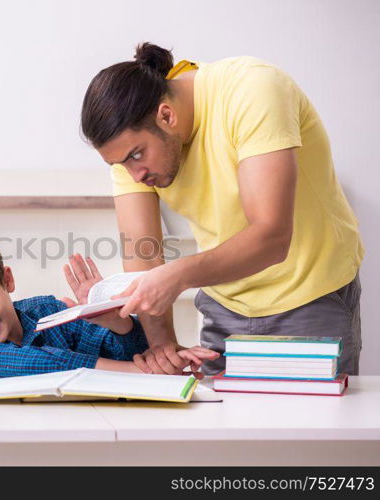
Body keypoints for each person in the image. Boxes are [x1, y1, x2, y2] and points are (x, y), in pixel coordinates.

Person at [80, 43, 363, 375]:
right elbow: (143, 257)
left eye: (135, 156)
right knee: (222, 426)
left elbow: (272, 237)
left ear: (166, 115)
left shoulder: (252, 90)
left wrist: (178, 276)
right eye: (120, 164)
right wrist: (162, 346)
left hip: (309, 297)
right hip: (224, 308)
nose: (134, 175)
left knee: (306, 426)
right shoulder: (130, 147)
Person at [0, 228, 217, 378]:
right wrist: (139, 373)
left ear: (7, 281)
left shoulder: (48, 312)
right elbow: (35, 364)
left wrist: (116, 324)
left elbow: (132, 352)